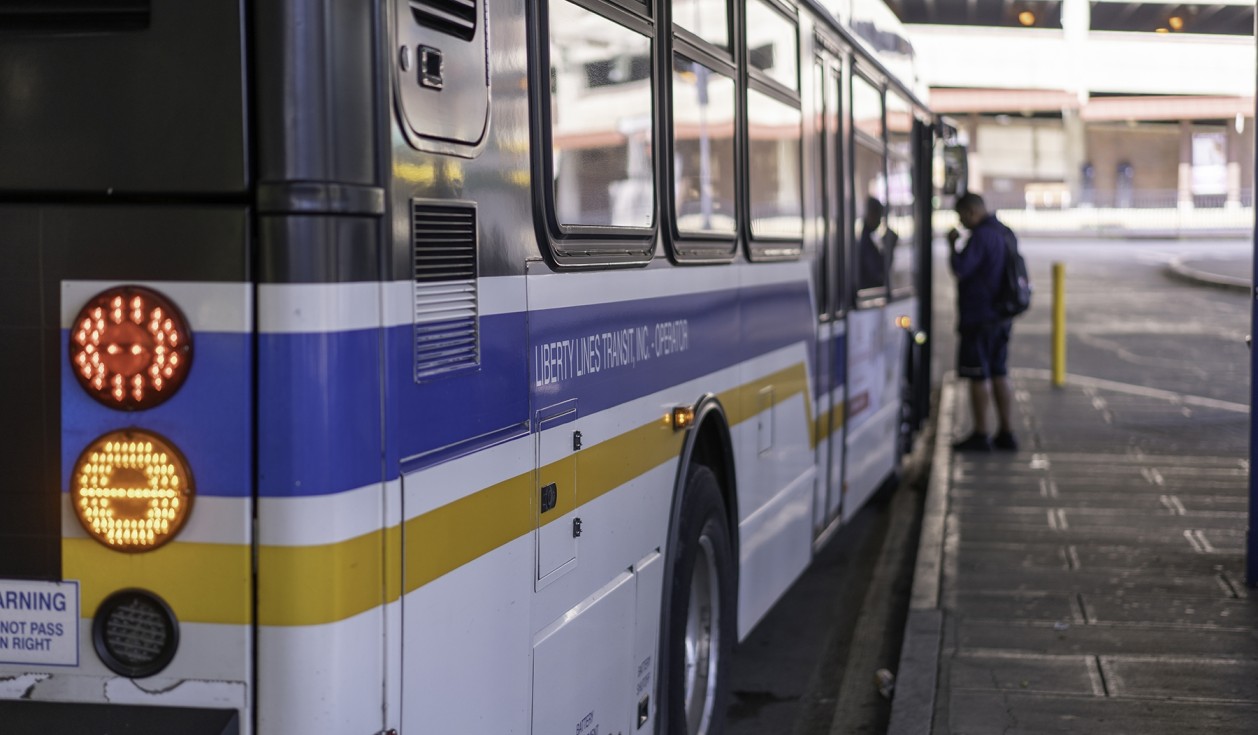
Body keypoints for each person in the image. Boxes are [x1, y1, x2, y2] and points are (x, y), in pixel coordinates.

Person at [947, 192, 1017, 452]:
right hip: (1001, 316)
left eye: (961, 216)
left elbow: (961, 269)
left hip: (980, 316)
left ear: (971, 211)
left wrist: (953, 245)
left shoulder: (981, 236)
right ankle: (1006, 432)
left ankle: (981, 432)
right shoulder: (1004, 232)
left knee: (979, 375)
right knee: (1000, 372)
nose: (961, 222)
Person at [858, 197, 887, 291]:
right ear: (871, 214)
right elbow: (877, 272)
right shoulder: (866, 241)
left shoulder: (867, 237)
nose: (879, 221)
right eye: (879, 216)